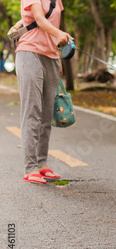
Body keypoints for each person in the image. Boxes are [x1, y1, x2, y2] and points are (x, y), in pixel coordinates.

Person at [9, 0, 73, 184]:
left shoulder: (57, 1)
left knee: (46, 115)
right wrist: (60, 34)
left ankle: (42, 163)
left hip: (51, 57)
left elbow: (53, 26)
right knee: (32, 113)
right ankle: (30, 167)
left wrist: (58, 57)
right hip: (30, 54)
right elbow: (39, 18)